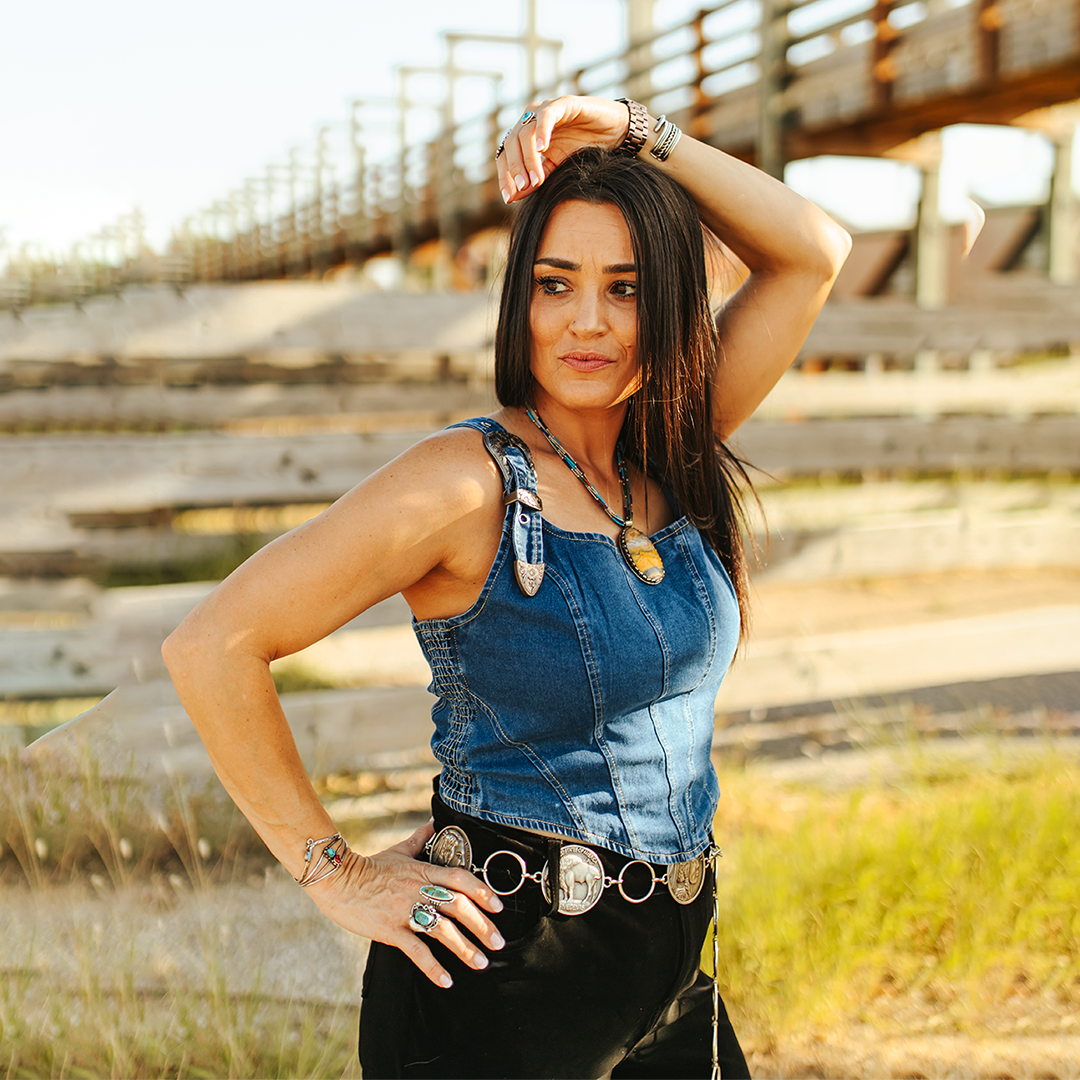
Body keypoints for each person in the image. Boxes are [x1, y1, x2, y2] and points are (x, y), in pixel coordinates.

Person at [162, 95, 850, 1079]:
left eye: (624, 288)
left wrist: (637, 132)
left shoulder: (670, 451)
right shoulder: (464, 482)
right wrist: (334, 872)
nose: (587, 322)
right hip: (505, 986)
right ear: (516, 300)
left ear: (663, 303)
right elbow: (211, 645)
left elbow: (814, 251)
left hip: (672, 982)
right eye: (554, 283)